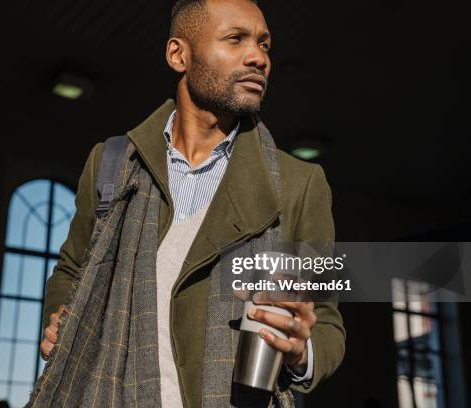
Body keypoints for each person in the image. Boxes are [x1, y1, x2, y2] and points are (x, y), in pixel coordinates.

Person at [34, 0, 345, 407]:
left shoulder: (299, 185)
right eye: (236, 39)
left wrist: (303, 352)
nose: (258, 58)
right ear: (179, 54)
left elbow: (326, 322)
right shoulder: (110, 165)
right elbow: (71, 270)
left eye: (265, 45)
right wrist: (60, 317)